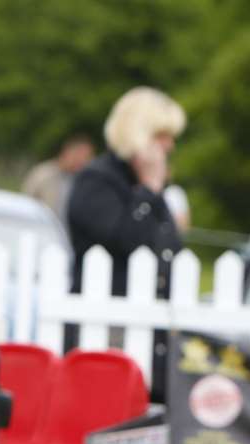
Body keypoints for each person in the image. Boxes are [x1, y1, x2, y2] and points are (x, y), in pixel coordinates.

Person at [65, 87, 187, 399]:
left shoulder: (149, 187)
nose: (169, 146)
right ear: (138, 134)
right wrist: (148, 189)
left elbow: (173, 249)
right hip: (106, 334)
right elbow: (126, 242)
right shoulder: (96, 181)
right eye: (162, 135)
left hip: (151, 335)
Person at [21, 132, 93, 219]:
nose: (84, 162)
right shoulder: (43, 174)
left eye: (87, 158)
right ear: (67, 152)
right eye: (81, 156)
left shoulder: (81, 181)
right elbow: (25, 202)